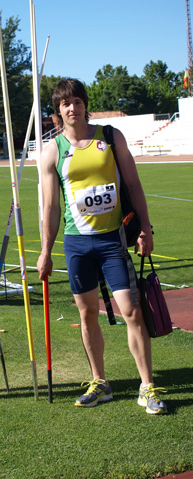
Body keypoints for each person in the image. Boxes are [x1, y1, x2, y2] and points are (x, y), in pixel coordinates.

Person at [37, 78, 167, 415]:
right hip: (77, 244)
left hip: (114, 240)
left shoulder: (110, 137)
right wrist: (45, 251)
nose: (72, 108)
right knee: (87, 313)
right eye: (66, 103)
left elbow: (134, 184)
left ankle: (147, 386)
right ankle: (100, 382)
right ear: (58, 111)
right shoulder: (52, 151)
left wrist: (145, 229)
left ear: (84, 105)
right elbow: (50, 207)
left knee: (133, 311)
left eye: (77, 101)